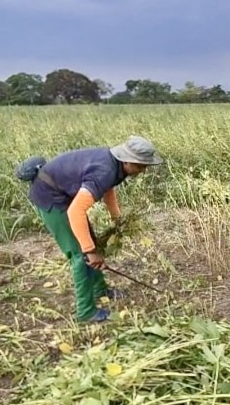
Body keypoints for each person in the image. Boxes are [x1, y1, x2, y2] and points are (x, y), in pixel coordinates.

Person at [15, 135, 164, 323]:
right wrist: (90, 250)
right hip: (51, 197)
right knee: (81, 255)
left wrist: (117, 220)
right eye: (141, 166)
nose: (143, 171)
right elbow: (76, 211)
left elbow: (108, 190)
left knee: (91, 244)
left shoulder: (115, 165)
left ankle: (100, 290)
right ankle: (86, 313)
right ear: (128, 160)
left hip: (64, 195)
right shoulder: (105, 170)